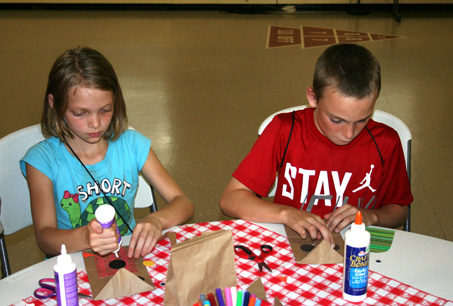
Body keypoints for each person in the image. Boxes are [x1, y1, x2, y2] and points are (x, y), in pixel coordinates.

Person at [220, 43, 413, 246]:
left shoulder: (386, 142)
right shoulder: (284, 130)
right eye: (336, 120)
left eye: (362, 120)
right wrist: (286, 214)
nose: (348, 134)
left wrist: (372, 217)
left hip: (357, 249)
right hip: (292, 244)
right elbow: (230, 199)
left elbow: (399, 211)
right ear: (312, 98)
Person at [20, 47, 194, 258]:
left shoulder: (133, 145)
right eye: (80, 113)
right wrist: (86, 237)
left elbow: (183, 203)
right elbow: (45, 239)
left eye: (105, 110)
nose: (95, 123)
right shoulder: (42, 160)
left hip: (125, 260)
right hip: (72, 268)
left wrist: (156, 220)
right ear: (54, 104)